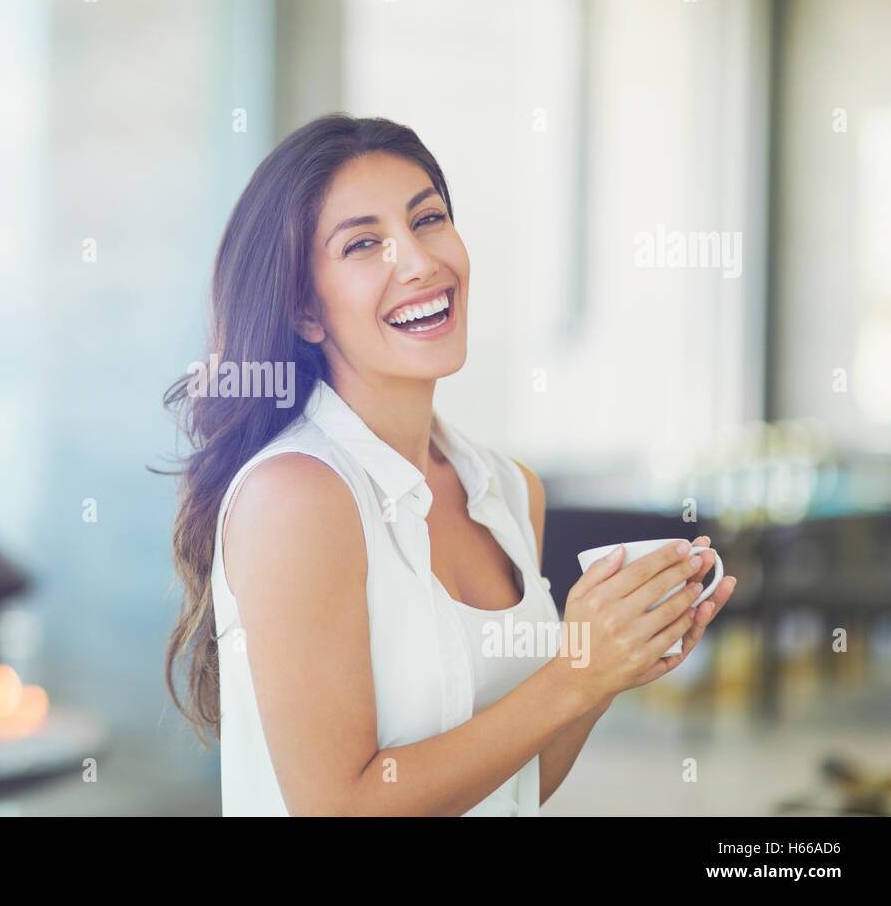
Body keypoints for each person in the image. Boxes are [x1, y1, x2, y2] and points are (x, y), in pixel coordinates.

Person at [162, 113, 737, 816]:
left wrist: (613, 663)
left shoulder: (507, 488)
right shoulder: (298, 496)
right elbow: (336, 807)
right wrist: (576, 672)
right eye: (364, 243)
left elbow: (519, 784)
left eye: (428, 219)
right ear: (306, 311)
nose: (418, 261)